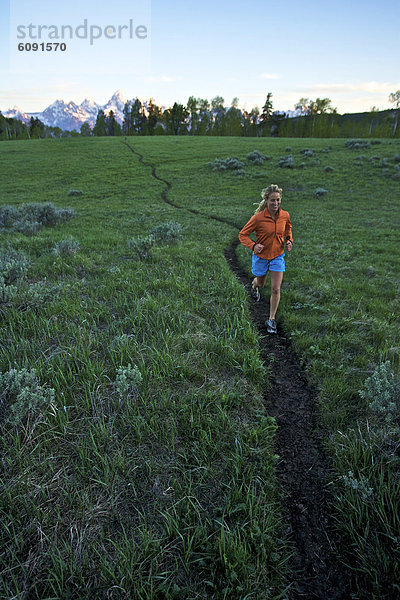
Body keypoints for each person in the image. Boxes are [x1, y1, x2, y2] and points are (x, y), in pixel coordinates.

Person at [238, 184, 293, 334]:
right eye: (273, 201)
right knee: (261, 283)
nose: (276, 204)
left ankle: (271, 319)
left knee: (276, 288)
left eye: (278, 201)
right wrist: (253, 246)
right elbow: (242, 235)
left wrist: (289, 240)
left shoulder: (285, 215)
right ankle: (254, 285)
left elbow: (288, 229)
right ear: (266, 200)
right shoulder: (257, 218)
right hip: (261, 257)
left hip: (277, 256)